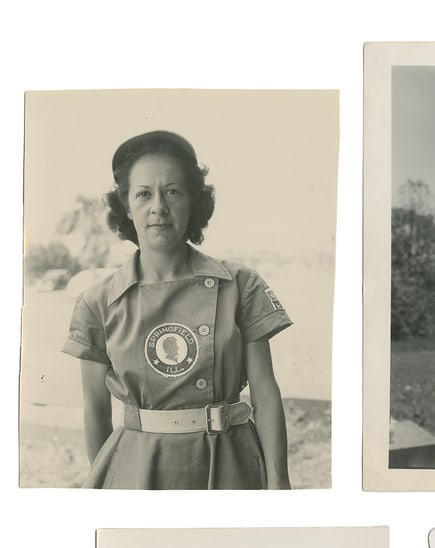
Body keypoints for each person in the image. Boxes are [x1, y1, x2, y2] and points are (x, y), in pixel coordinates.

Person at [61, 130, 292, 489]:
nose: (159, 207)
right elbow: (95, 411)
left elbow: (265, 392)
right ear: (125, 205)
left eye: (172, 191)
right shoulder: (97, 302)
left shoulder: (240, 284)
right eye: (143, 194)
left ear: (192, 200)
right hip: (139, 470)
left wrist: (279, 488)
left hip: (230, 464)